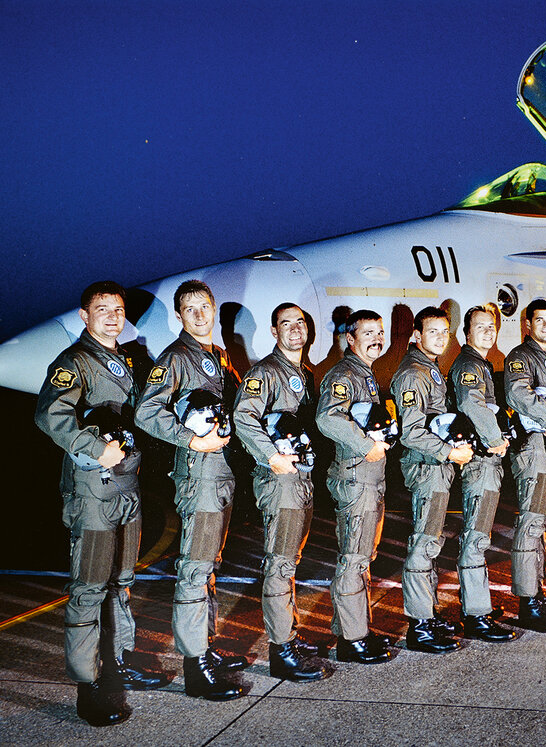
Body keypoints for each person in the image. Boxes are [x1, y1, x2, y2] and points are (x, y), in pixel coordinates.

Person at [34, 281, 172, 727]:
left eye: (118, 309)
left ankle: (120, 660)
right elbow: (51, 414)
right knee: (90, 587)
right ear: (84, 315)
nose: (112, 316)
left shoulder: (127, 360)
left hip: (128, 485)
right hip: (94, 489)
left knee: (121, 581)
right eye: (102, 309)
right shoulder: (74, 362)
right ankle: (88, 684)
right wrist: (95, 448)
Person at [134, 280, 248, 701]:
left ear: (213, 310)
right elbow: (146, 411)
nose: (199, 315)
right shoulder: (177, 357)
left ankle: (206, 647)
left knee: (209, 564)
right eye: (189, 309)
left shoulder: (216, 356)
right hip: (199, 475)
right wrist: (190, 439)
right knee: (195, 568)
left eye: (205, 306)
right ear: (179, 316)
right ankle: (195, 666)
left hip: (220, 474)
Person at [232, 303, 332, 681]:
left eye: (300, 322)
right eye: (285, 324)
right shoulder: (265, 373)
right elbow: (243, 416)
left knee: (290, 561)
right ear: (274, 332)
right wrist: (271, 456)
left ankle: (289, 634)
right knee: (279, 564)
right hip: (281, 481)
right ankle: (281, 651)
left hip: (300, 480)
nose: (294, 329)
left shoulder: (304, 373)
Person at [315, 309, 396, 663]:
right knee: (354, 559)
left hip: (368, 478)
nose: (376, 338)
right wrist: (366, 446)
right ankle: (351, 640)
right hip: (356, 477)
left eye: (379, 332)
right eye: (368, 333)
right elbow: (327, 417)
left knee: (362, 557)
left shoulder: (364, 373)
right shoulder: (345, 374)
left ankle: (356, 629)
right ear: (350, 339)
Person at [391, 306, 473, 653]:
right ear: (416, 335)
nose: (440, 338)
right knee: (423, 544)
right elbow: (411, 432)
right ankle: (419, 626)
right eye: (433, 331)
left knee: (431, 543)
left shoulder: (430, 368)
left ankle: (429, 613)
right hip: (427, 467)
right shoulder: (413, 373)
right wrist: (449, 452)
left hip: (436, 465)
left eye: (444, 332)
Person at [448, 305, 519, 642]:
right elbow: (470, 403)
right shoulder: (469, 365)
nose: (488, 332)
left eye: (492, 326)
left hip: (485, 461)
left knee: (479, 535)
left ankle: (477, 606)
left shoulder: (481, 363)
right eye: (481, 326)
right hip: (480, 461)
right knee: (476, 537)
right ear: (466, 332)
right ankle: (475, 616)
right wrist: (495, 439)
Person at [503, 299, 546, 632]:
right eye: (539, 320)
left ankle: (537, 592)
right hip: (534, 450)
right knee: (530, 524)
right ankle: (527, 603)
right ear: (527, 324)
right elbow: (517, 393)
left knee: (541, 524)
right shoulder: (520, 356)